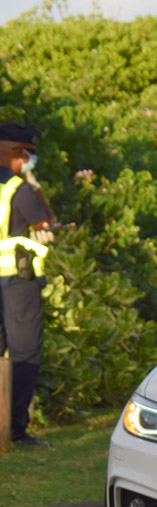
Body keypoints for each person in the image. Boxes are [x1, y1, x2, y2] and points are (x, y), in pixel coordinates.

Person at [0, 122, 55, 448]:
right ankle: (16, 432)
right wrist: (34, 185)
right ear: (16, 153)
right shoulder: (18, 189)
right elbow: (44, 222)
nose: (29, 161)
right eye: (28, 155)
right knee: (24, 352)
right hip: (17, 282)